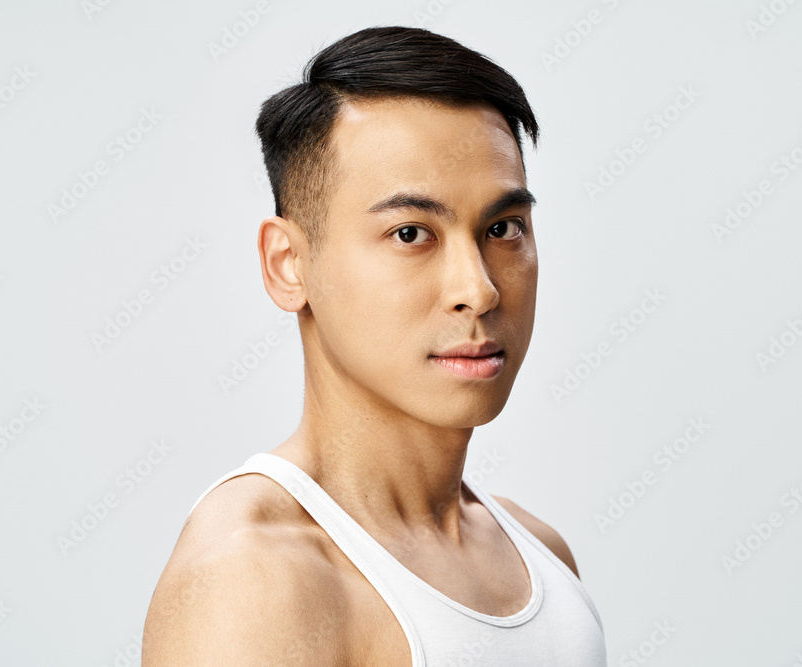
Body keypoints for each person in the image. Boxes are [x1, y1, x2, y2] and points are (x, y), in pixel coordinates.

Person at [143, 25, 606, 665]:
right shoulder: (253, 576)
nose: (479, 290)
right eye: (411, 233)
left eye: (503, 228)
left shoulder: (542, 555)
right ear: (287, 264)